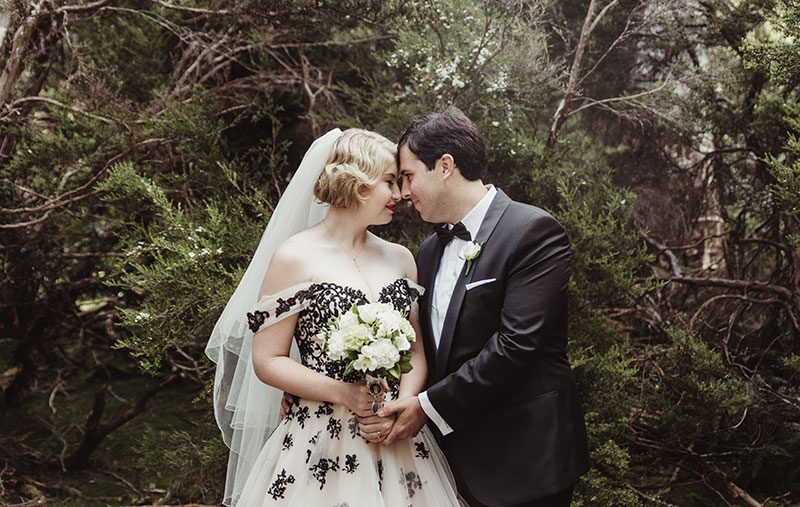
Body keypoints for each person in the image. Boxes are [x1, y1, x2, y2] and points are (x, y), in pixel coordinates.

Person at [206, 128, 460, 506]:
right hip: (318, 439)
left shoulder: (401, 258)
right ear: (355, 182)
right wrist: (344, 393)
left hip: (394, 435)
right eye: (389, 182)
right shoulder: (295, 257)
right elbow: (267, 359)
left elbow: (416, 351)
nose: (399, 195)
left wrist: (400, 408)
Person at [379, 107, 590, 507]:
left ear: (444, 166)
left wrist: (425, 407)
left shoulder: (532, 231)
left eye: (408, 176)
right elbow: (419, 348)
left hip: (525, 462)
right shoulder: (426, 253)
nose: (404, 193)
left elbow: (516, 346)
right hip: (448, 467)